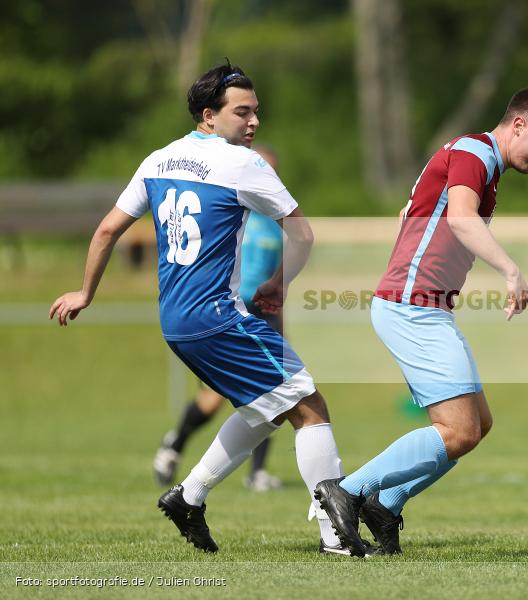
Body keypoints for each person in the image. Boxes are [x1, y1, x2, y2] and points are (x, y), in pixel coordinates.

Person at [50, 62, 362, 556]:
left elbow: (108, 229)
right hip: (217, 315)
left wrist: (85, 293)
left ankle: (189, 495)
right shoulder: (245, 163)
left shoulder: (157, 160)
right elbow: (303, 233)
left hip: (175, 320)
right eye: (242, 113)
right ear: (208, 115)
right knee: (310, 408)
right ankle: (337, 539)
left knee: (266, 411)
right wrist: (279, 285)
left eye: (257, 112)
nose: (254, 122)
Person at [313, 85, 528, 557]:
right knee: (458, 430)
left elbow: (416, 212)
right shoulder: (476, 150)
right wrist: (511, 271)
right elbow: (459, 219)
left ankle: (385, 505)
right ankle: (347, 491)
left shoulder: (480, 163)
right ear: (518, 126)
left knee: (478, 424)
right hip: (412, 307)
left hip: (426, 306)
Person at [152, 145, 287, 493]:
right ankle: (175, 445)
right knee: (213, 400)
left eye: (271, 170)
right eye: (261, 168)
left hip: (263, 312)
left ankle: (256, 472)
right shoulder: (232, 209)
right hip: (226, 311)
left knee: (275, 389)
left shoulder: (275, 221)